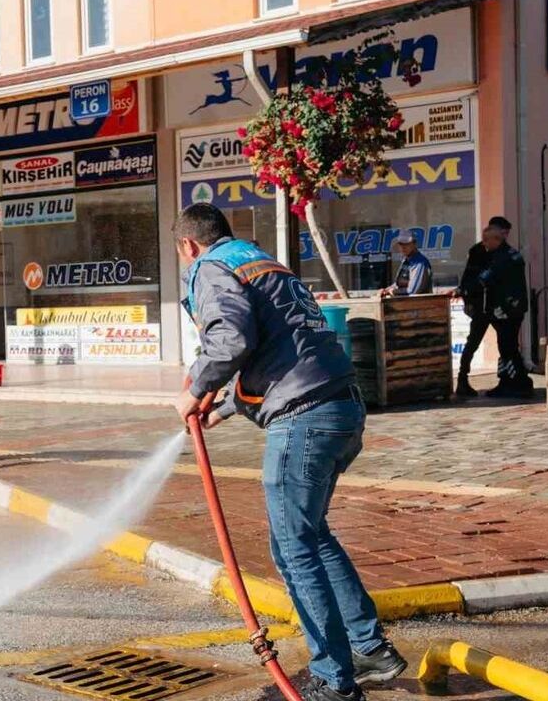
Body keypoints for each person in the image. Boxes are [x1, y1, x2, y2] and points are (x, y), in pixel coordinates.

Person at [174, 203, 405, 701]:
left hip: (304, 420)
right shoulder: (260, 262)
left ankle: (333, 681)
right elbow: (282, 345)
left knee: (293, 549)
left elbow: (230, 340)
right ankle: (369, 649)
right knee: (312, 535)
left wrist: (195, 388)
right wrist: (225, 407)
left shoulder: (209, 267)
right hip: (342, 407)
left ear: (188, 245)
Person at [478, 219, 531, 398]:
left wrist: (464, 289)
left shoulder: (503, 257)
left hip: (508, 310)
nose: (484, 243)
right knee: (505, 348)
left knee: (508, 348)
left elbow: (486, 278)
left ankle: (519, 383)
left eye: (486, 240)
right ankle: (506, 381)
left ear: (496, 239)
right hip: (507, 309)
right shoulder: (505, 254)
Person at [452, 220, 505, 397]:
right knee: (473, 342)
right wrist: (466, 296)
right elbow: (469, 277)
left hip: (496, 305)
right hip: (481, 305)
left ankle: (506, 379)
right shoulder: (477, 252)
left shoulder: (502, 252)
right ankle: (462, 379)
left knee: (506, 343)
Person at [380, 231, 432, 297]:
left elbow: (413, 291)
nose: (403, 247)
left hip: (420, 302)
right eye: (401, 244)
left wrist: (394, 291)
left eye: (407, 244)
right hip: (404, 301)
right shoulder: (405, 261)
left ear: (414, 244)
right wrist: (386, 290)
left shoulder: (420, 262)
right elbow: (398, 284)